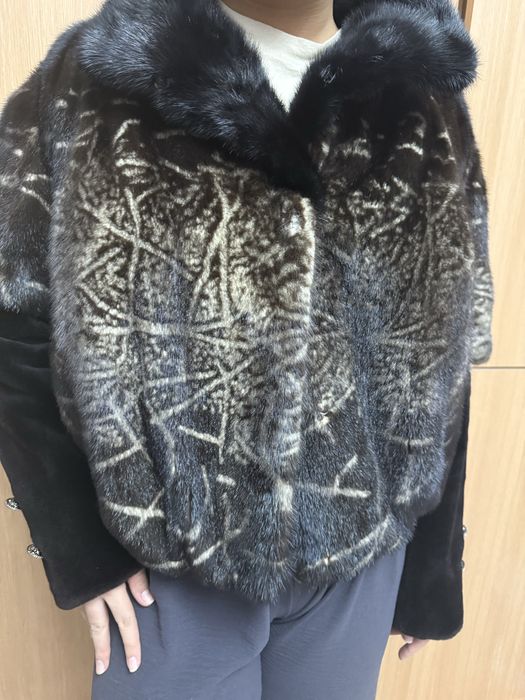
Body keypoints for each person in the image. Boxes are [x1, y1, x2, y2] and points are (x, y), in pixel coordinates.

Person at [0, 0, 493, 698]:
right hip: (171, 562)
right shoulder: (97, 76)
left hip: (357, 563)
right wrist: (79, 548)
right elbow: (12, 317)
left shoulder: (419, 95)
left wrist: (431, 571)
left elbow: (441, 348)